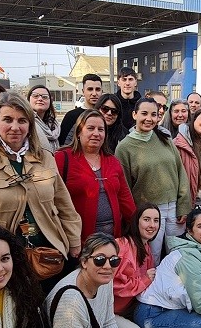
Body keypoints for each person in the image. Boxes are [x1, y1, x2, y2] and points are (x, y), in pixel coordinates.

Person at [0, 92, 82, 291]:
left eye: (22, 120)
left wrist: (74, 240)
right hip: (6, 261)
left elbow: (63, 203)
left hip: (49, 252)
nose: (15, 127)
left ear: (30, 125)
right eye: (7, 119)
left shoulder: (46, 159)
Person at [115, 97, 191, 261]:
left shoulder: (164, 138)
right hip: (148, 212)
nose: (149, 119)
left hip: (174, 208)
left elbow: (180, 170)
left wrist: (183, 204)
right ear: (134, 115)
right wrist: (133, 217)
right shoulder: (124, 148)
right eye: (144, 113)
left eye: (154, 115)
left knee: (178, 254)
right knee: (152, 256)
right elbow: (124, 187)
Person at [54, 110, 135, 246]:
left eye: (101, 130)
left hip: (112, 240)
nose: (96, 133)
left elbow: (125, 199)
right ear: (79, 132)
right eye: (90, 128)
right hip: (77, 240)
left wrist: (136, 228)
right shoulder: (62, 158)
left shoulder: (113, 161)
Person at [112, 204, 160, 328]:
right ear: (136, 222)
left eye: (156, 220)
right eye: (147, 219)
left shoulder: (145, 246)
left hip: (129, 309)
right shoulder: (124, 247)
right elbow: (115, 285)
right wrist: (145, 280)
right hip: (109, 313)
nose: (152, 225)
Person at [59, 73, 104, 146]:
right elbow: (62, 143)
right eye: (90, 89)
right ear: (83, 91)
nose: (94, 93)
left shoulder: (107, 114)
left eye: (98, 89)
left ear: (102, 91)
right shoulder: (71, 116)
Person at [28, 84, 60, 153]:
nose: (40, 99)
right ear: (28, 100)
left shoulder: (54, 125)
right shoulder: (26, 123)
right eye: (35, 96)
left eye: (45, 97)